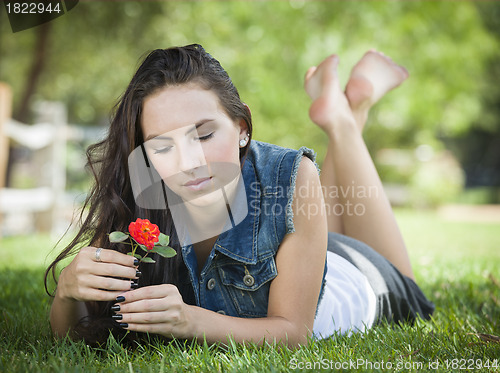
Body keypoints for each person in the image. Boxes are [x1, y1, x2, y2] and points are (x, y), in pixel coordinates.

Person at [45, 44, 434, 347]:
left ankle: (345, 119)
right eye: (163, 147)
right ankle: (345, 108)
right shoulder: (134, 195)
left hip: (354, 280)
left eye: (204, 134)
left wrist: (188, 321)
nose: (189, 163)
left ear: (242, 126)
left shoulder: (290, 174)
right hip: (307, 253)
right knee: (303, 217)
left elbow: (294, 334)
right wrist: (66, 293)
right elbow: (75, 332)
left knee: (409, 287)